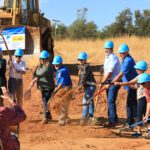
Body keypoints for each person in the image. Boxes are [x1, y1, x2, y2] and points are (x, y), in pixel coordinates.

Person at [115, 60, 148, 137]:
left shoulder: (140, 77)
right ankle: (149, 129)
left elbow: (130, 82)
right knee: (145, 114)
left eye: (137, 69)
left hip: (142, 98)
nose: (136, 70)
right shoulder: (144, 76)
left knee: (139, 115)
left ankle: (139, 132)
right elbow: (135, 86)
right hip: (143, 98)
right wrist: (125, 84)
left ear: (141, 69)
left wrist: (120, 83)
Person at [111, 44, 138, 127]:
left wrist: (111, 83)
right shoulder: (124, 59)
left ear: (127, 52)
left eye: (122, 53)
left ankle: (130, 123)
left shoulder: (128, 61)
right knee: (133, 103)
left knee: (130, 104)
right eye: (119, 53)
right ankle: (134, 121)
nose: (120, 54)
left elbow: (121, 74)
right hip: (129, 85)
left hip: (132, 85)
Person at [29, 50, 55, 124]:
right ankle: (48, 115)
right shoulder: (41, 65)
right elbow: (35, 73)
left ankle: (45, 117)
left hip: (48, 87)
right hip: (43, 87)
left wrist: (34, 79)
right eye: (41, 59)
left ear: (46, 59)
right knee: (46, 102)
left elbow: (40, 74)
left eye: (43, 59)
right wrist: (35, 75)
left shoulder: (48, 66)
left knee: (45, 102)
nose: (42, 60)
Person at [99, 41, 121, 127]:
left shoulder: (113, 58)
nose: (106, 50)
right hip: (108, 81)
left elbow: (110, 73)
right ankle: (113, 119)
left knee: (110, 100)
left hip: (114, 82)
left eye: (108, 48)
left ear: (112, 49)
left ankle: (112, 121)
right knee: (110, 100)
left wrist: (102, 83)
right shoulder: (107, 57)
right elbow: (106, 70)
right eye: (105, 48)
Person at [52, 55, 72, 126]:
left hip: (66, 88)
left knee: (62, 103)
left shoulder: (63, 71)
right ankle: (66, 118)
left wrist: (55, 90)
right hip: (63, 87)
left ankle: (62, 120)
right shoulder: (59, 70)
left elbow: (61, 83)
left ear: (61, 63)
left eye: (57, 64)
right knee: (65, 104)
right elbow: (59, 82)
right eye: (55, 64)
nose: (56, 65)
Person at [77, 52, 96, 125]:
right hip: (87, 86)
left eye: (81, 60)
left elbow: (84, 76)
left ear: (85, 60)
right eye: (79, 60)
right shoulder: (81, 67)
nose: (80, 61)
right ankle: (91, 117)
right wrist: (79, 85)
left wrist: (81, 85)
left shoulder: (86, 67)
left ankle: (84, 118)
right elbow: (80, 78)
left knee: (85, 101)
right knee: (90, 101)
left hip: (91, 86)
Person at [137, 73, 150, 139]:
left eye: (143, 83)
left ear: (148, 82)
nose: (142, 85)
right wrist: (147, 115)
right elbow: (149, 102)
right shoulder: (146, 90)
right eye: (140, 84)